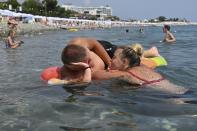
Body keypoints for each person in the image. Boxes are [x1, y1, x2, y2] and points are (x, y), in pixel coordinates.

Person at [93, 46, 188, 94]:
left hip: (171, 98)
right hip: (185, 91)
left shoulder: (124, 74)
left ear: (125, 62)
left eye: (113, 58)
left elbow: (95, 75)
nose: (110, 60)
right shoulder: (144, 67)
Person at [42, 37, 111, 85]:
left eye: (89, 59)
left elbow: (94, 42)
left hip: (105, 48)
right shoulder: (70, 50)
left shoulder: (78, 44)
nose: (91, 63)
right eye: (87, 62)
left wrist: (109, 62)